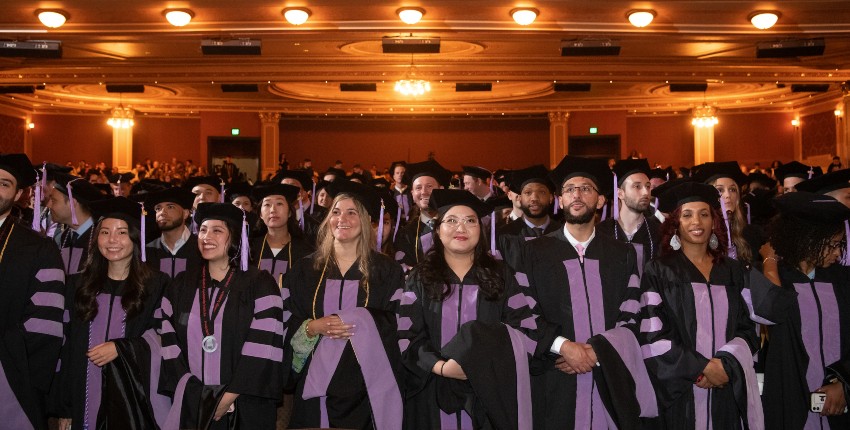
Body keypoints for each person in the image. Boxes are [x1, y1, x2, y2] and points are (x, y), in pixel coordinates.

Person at [518, 156, 652, 429]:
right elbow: (522, 310)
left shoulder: (622, 255)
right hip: (553, 375)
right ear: (560, 201)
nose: (577, 194)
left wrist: (597, 353)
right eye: (569, 189)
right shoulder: (532, 253)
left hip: (609, 375)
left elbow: (633, 311)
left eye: (586, 188)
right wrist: (563, 347)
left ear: (601, 201)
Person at [399, 189, 542, 429]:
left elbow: (523, 329)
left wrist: (483, 364)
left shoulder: (502, 275)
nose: (461, 228)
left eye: (470, 221)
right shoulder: (419, 278)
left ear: (481, 230)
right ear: (437, 230)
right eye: (451, 221)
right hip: (431, 392)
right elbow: (407, 336)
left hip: (490, 394)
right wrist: (442, 367)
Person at [638, 181, 762, 429]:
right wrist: (700, 368)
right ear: (675, 224)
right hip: (680, 394)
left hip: (726, 387)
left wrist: (725, 366)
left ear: (714, 223)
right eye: (687, 215)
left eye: (704, 214)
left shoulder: (734, 271)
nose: (697, 222)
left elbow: (748, 329)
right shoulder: (659, 271)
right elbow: (652, 334)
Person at [282, 186, 405, 429]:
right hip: (314, 381)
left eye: (352, 213)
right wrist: (310, 327)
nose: (342, 219)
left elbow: (397, 323)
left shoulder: (387, 271)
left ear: (368, 221)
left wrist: (361, 321)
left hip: (366, 383)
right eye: (336, 212)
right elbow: (287, 318)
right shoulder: (305, 269)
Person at [159, 203, 283, 429]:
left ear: (235, 238)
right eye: (203, 230)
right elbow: (169, 343)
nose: (207, 236)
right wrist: (194, 392)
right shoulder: (180, 286)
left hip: (245, 403)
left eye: (217, 230)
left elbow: (264, 344)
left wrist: (227, 397)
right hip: (193, 401)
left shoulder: (260, 284)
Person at [55, 197, 170, 430]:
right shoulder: (78, 284)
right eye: (105, 232)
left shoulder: (156, 285)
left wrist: (122, 348)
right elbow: (66, 349)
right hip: (82, 396)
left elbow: (164, 336)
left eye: (121, 233)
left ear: (135, 238)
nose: (112, 240)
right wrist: (64, 408)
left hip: (133, 398)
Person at [759, 191, 850, 428]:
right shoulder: (778, 279)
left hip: (841, 407)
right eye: (832, 245)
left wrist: (843, 383)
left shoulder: (843, 280)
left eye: (840, 244)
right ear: (807, 239)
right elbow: (771, 310)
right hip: (790, 405)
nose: (838, 253)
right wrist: (769, 262)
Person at [0, 154, 67, 430]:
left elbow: (45, 327)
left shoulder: (39, 248)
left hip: (9, 379)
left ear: (18, 195)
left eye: (4, 184)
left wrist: (12, 366)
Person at [598, 158, 661, 275]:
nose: (645, 192)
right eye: (637, 186)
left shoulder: (659, 232)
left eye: (648, 186)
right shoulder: (600, 233)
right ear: (620, 193)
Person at [692, 161, 761, 267]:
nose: (728, 195)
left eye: (732, 189)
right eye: (720, 190)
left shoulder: (750, 234)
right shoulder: (698, 233)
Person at [496, 164, 560, 271]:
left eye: (542, 192)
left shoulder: (564, 234)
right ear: (520, 198)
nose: (534, 198)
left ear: (551, 198)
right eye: (528, 192)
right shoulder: (505, 235)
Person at [394, 160, 452, 272]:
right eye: (418, 188)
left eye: (429, 186)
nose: (424, 192)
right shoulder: (405, 234)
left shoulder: (455, 227)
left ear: (441, 190)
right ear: (412, 193)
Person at [250, 183, 313, 287]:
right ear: (260, 214)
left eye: (279, 203)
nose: (273, 210)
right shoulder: (250, 249)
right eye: (267, 205)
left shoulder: (304, 251)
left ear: (289, 212)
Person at [47, 173, 110, 275]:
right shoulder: (66, 236)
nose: (48, 205)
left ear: (72, 203)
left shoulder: (99, 238)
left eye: (53, 200)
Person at [144, 187, 202, 278]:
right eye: (158, 208)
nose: (162, 212)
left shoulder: (201, 248)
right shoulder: (148, 251)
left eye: (170, 207)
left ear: (185, 214)